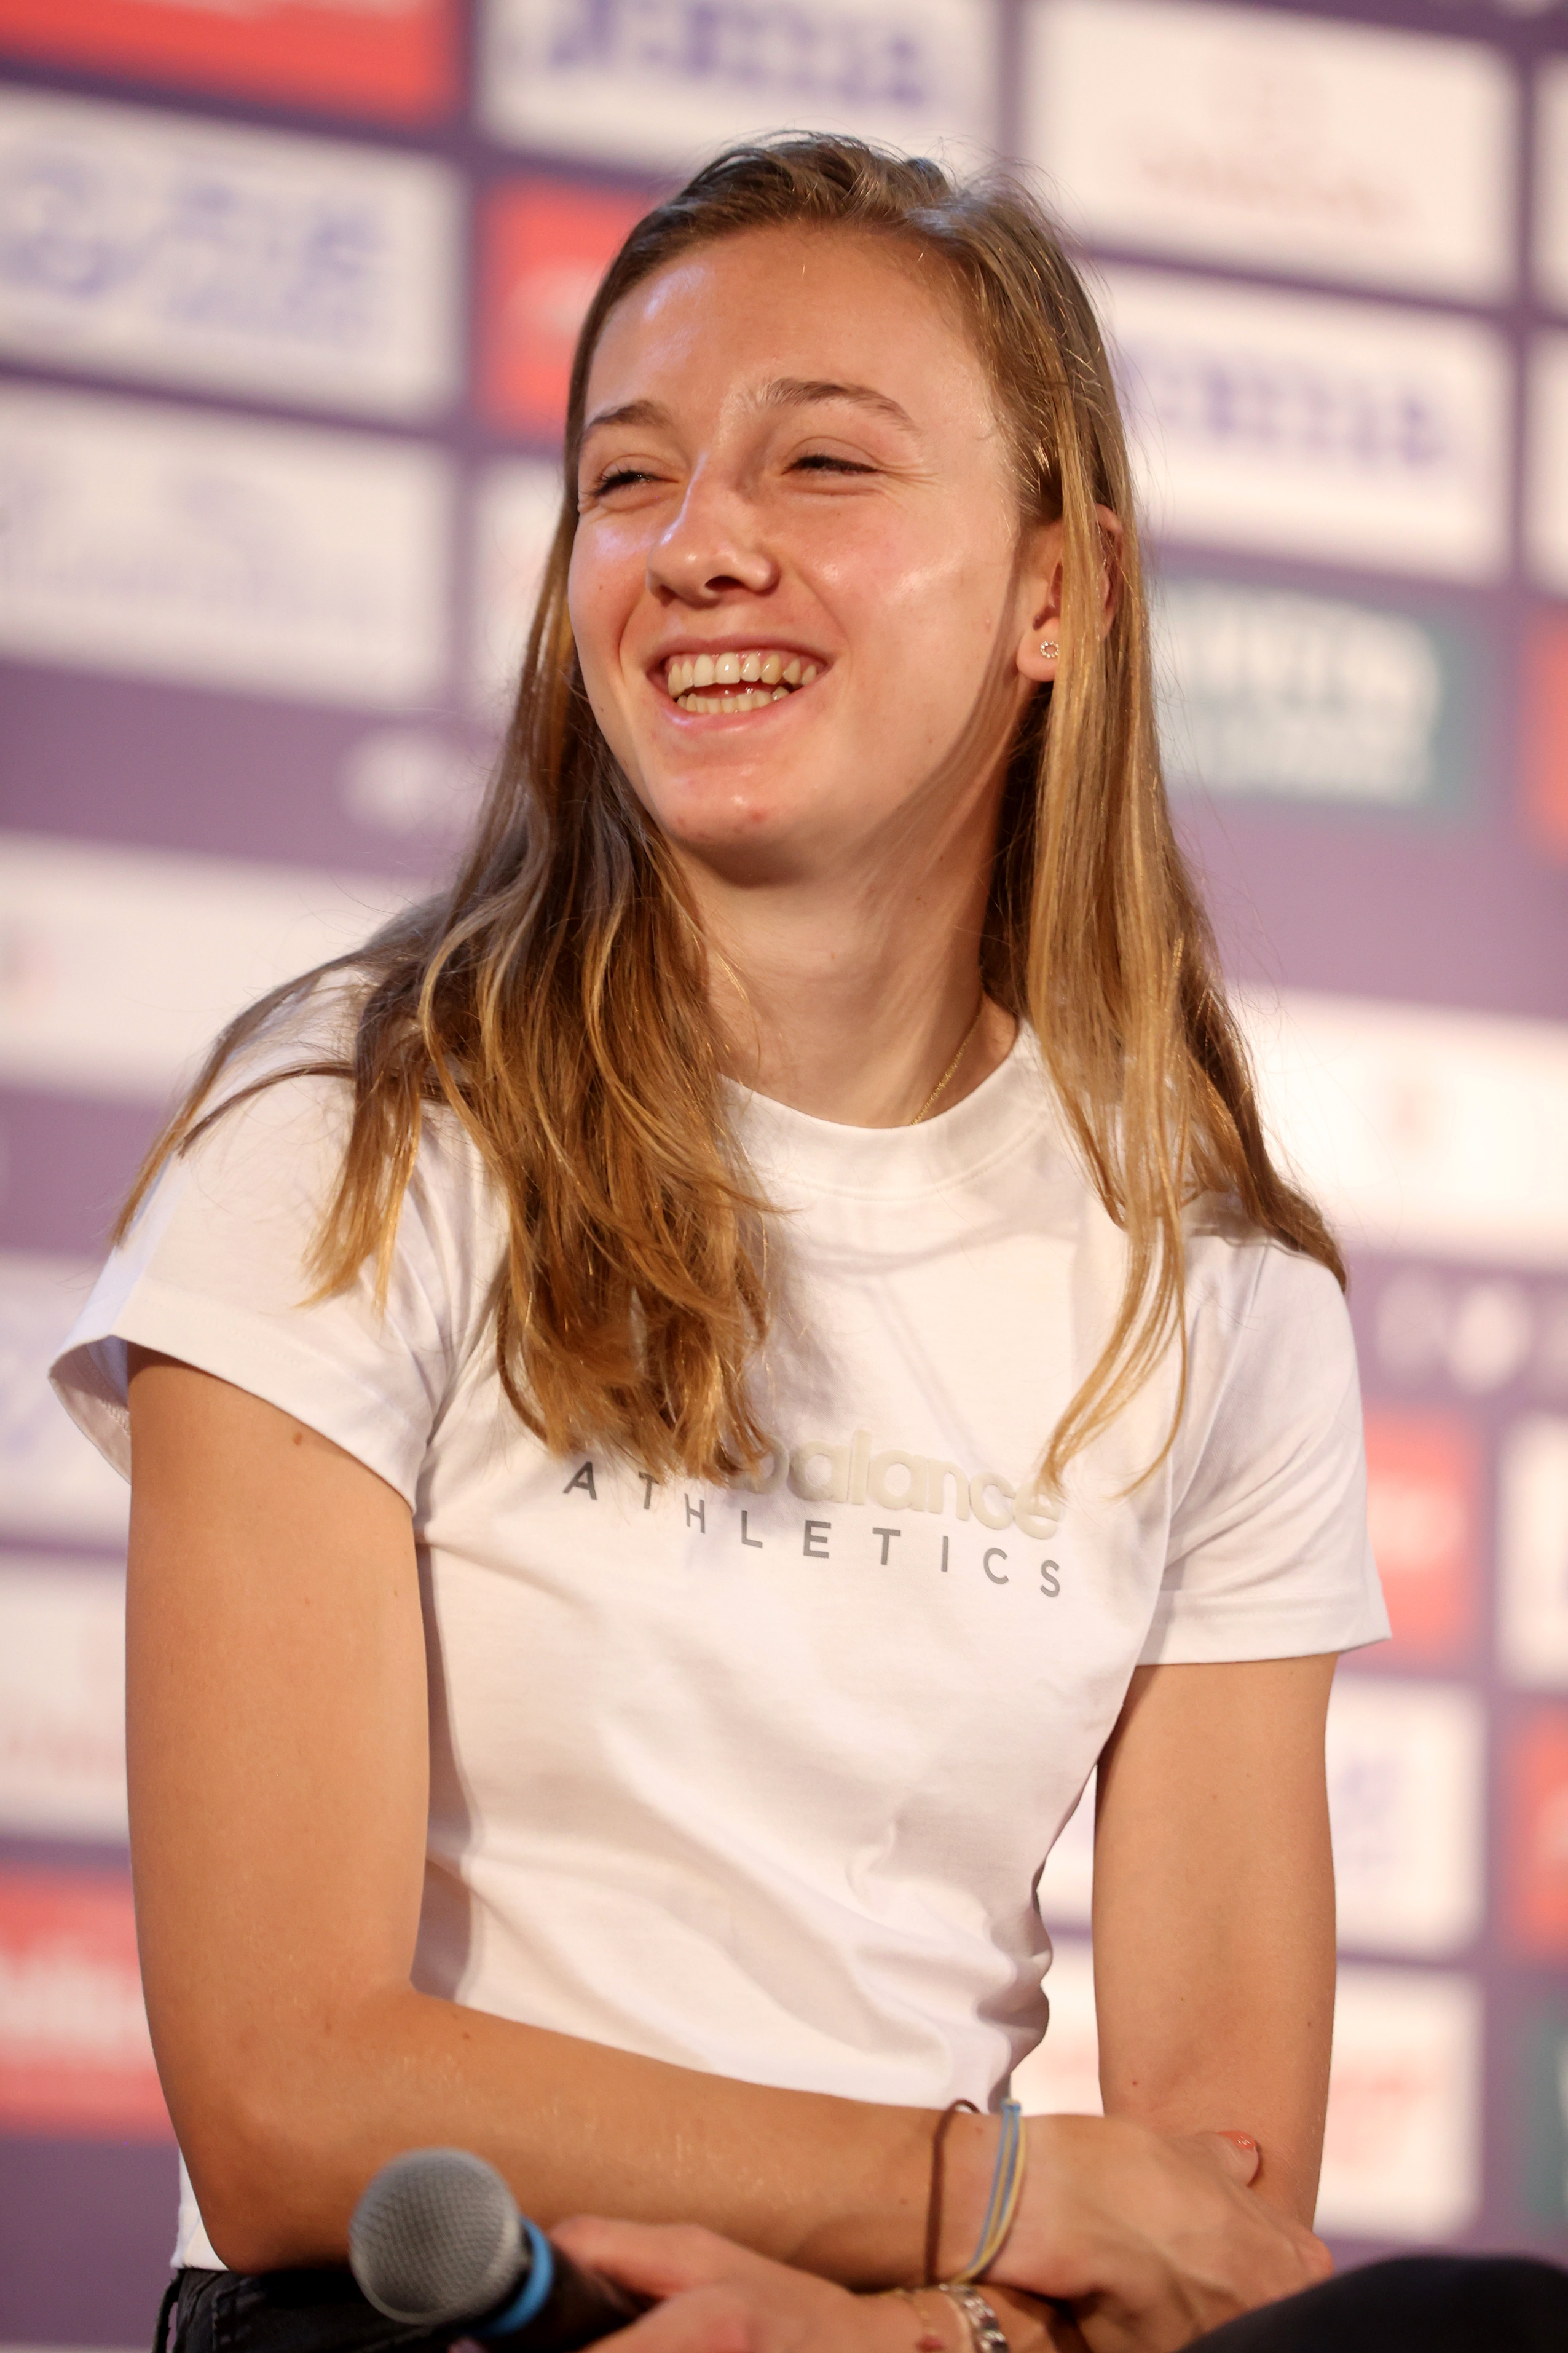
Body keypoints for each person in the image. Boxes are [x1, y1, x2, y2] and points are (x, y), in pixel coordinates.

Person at [52, 135, 1558, 2353]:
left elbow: (1213, 2223)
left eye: (820, 461)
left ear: (1063, 592)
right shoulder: (352, 1130)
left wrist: (915, 2329)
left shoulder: (1223, 1281)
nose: (698, 545)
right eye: (626, 478)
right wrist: (982, 2186)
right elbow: (291, 2105)